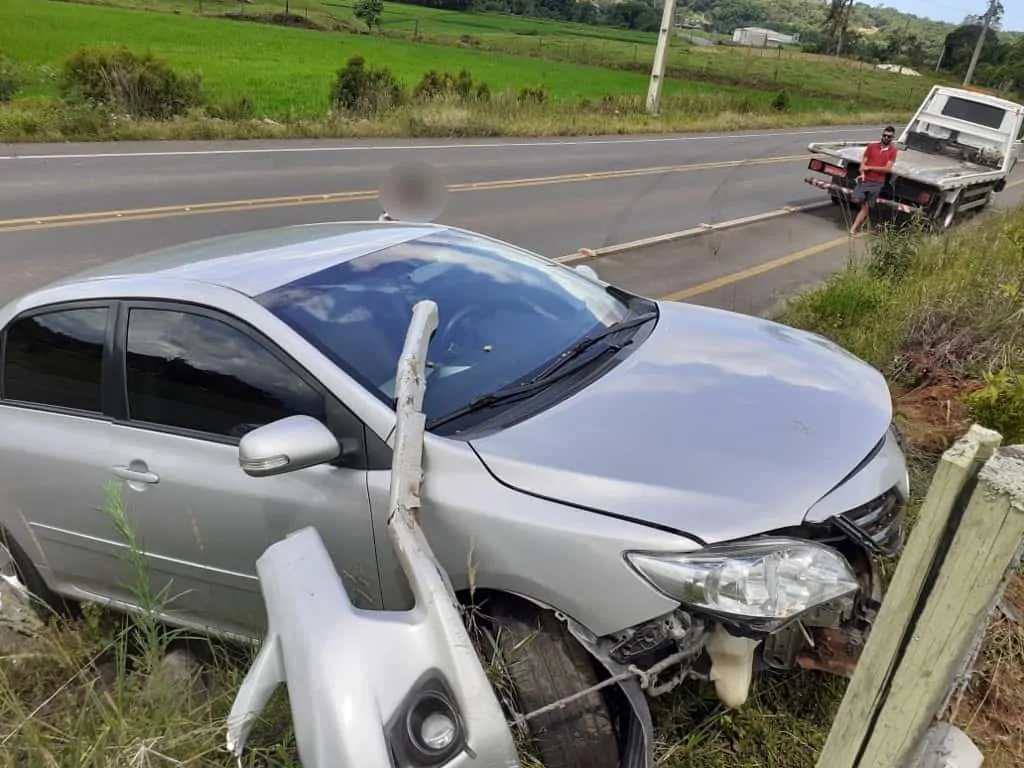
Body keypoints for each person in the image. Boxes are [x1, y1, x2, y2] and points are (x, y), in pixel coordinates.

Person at [849, 125, 899, 236]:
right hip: (865, 180)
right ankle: (864, 216)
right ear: (881, 135)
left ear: (892, 138)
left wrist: (870, 168)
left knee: (866, 207)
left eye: (889, 136)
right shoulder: (872, 146)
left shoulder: (893, 150)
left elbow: (887, 169)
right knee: (856, 198)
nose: (886, 138)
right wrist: (862, 173)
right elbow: (863, 163)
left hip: (877, 182)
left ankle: (853, 228)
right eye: (884, 135)